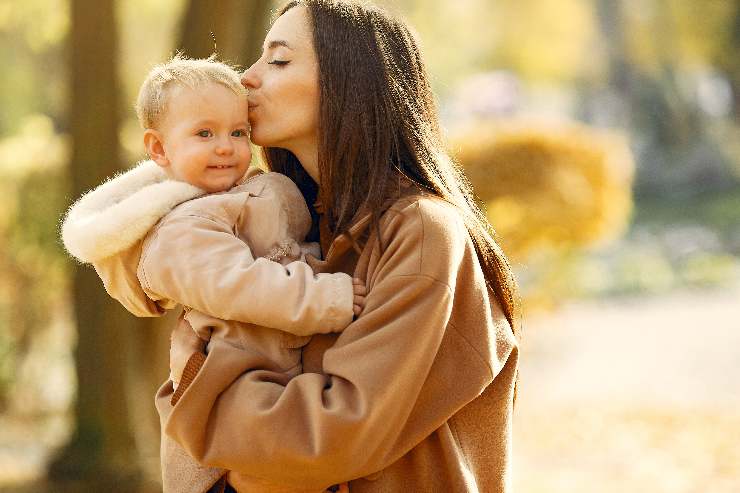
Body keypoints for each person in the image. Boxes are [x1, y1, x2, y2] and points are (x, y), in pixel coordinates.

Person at [165, 1, 521, 492]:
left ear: (350, 81)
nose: (246, 78)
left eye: (279, 59)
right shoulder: (298, 229)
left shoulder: (420, 232)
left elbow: (332, 437)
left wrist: (197, 404)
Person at [61, 55, 361, 493]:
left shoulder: (241, 193)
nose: (226, 146)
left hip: (279, 375)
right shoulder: (182, 228)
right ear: (160, 149)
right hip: (233, 386)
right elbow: (240, 286)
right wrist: (327, 299)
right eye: (204, 133)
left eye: (238, 132)